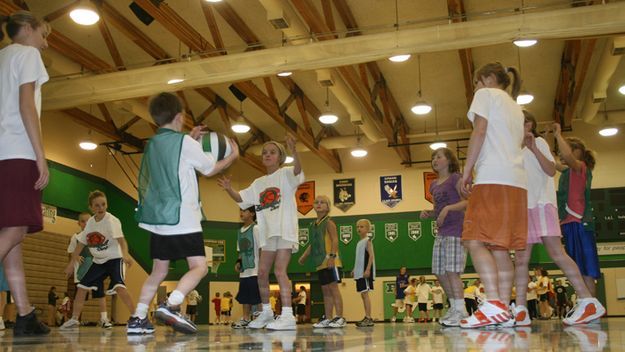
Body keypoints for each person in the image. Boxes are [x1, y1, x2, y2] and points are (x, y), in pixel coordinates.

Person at [128, 92, 238, 335]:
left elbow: (174, 159)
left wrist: (189, 138)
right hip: (183, 217)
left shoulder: (153, 144)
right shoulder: (185, 144)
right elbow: (210, 168)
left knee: (158, 271)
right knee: (199, 267)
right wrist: (233, 155)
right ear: (180, 116)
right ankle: (172, 304)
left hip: (159, 220)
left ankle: (137, 319)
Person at [511, 112, 606, 326]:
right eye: (518, 122)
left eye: (526, 121)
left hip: (542, 204)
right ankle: (520, 309)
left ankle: (587, 299)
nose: (522, 125)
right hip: (522, 208)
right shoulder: (512, 150)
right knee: (521, 260)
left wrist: (534, 147)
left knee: (557, 253)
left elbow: (550, 170)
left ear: (532, 124)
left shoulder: (539, 142)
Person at [459, 62, 527, 328]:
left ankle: (493, 304)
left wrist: (466, 171)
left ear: (487, 78)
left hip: (493, 177)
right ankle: (505, 310)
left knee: (474, 240)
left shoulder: (486, 94)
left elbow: (480, 130)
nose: (476, 87)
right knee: (500, 248)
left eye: (477, 81)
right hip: (516, 182)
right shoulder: (516, 107)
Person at [218, 136, 304, 330]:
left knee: (280, 271)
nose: (267, 155)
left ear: (280, 157)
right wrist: (228, 189)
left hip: (284, 229)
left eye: (272, 152)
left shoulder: (286, 174)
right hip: (268, 233)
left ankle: (288, 315)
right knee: (262, 273)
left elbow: (298, 170)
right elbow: (241, 198)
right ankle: (266, 312)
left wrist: (295, 151)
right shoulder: (258, 183)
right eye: (264, 152)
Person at [0, 11, 51, 337]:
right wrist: (41, 156)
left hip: (1, 155)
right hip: (19, 151)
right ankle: (24, 314)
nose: (45, 44)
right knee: (16, 230)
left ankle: (25, 314)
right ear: (28, 29)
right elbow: (26, 105)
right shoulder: (27, 54)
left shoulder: (1, 57)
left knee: (12, 236)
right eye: (44, 35)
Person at [553, 123, 605, 323]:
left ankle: (591, 306)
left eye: (564, 149)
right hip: (568, 223)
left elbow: (566, 159)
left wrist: (558, 135)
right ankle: (587, 305)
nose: (561, 154)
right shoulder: (568, 172)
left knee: (586, 268)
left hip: (581, 224)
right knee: (576, 266)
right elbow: (555, 165)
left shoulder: (580, 167)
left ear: (577, 152)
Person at [62, 190, 135, 330]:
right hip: (98, 261)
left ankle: (138, 317)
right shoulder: (90, 222)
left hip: (114, 258)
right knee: (82, 288)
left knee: (119, 287)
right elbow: (81, 244)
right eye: (97, 205)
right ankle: (74, 319)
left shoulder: (112, 221)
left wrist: (125, 255)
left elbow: (122, 241)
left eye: (103, 204)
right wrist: (71, 263)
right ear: (91, 207)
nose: (101, 208)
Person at [420, 147, 468, 326]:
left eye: (438, 157)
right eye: (433, 157)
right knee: (439, 272)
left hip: (456, 230)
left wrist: (448, 209)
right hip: (441, 232)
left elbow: (468, 202)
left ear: (448, 160)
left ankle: (461, 310)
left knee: (451, 271)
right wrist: (429, 214)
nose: (434, 160)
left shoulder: (456, 178)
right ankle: (454, 307)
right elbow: (437, 210)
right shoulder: (433, 185)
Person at [298, 195, 345, 329]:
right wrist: (304, 256)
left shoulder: (329, 222)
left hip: (331, 262)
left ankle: (340, 317)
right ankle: (328, 318)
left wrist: (332, 256)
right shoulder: (313, 224)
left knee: (334, 289)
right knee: (325, 291)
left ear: (328, 207)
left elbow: (335, 240)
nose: (319, 204)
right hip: (320, 264)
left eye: (322, 202)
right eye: (316, 202)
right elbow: (313, 244)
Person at [67, 211, 112, 328]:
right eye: (82, 221)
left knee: (100, 295)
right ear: (78, 223)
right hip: (81, 274)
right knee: (79, 297)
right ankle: (74, 319)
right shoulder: (75, 237)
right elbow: (71, 252)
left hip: (95, 272)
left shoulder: (97, 237)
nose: (85, 223)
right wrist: (76, 256)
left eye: (88, 221)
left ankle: (104, 319)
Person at [232, 207, 261, 329]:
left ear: (252, 213)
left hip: (256, 270)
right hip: (245, 271)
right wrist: (238, 262)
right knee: (244, 296)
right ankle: (245, 319)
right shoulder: (240, 231)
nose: (241, 213)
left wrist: (262, 267)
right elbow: (240, 251)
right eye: (240, 211)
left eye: (244, 211)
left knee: (257, 295)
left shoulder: (256, 228)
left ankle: (260, 318)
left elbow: (261, 248)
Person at [353, 219, 375, 327]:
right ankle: (366, 316)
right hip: (359, 272)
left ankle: (369, 318)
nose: (359, 229)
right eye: (357, 227)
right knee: (363, 294)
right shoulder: (359, 243)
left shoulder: (368, 241)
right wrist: (354, 269)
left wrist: (368, 269)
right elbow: (359, 259)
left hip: (365, 272)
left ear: (367, 229)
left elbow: (371, 256)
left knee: (365, 294)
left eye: (361, 227)